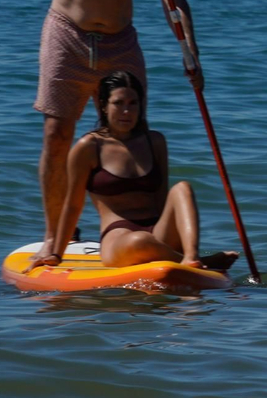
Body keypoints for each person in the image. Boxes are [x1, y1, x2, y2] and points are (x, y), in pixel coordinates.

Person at [34, 0, 202, 253]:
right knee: (57, 134)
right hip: (68, 34)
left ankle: (148, 235)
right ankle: (54, 235)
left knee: (131, 134)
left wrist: (191, 54)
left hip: (119, 42)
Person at [25, 71, 235, 271]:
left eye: (133, 103)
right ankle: (201, 262)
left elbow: (162, 198)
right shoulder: (89, 147)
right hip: (118, 239)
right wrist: (56, 254)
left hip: (158, 231)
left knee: (183, 188)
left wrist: (172, 235)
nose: (126, 111)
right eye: (118, 103)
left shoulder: (154, 142)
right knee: (139, 241)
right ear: (104, 106)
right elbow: (73, 206)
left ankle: (192, 256)